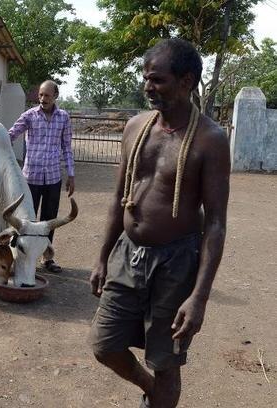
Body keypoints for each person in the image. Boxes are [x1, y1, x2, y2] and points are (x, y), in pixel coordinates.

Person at [88, 38, 230, 408]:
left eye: (158, 80)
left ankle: (160, 392)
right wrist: (103, 256)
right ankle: (151, 390)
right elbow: (119, 197)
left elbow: (215, 223)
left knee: (166, 363)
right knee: (105, 345)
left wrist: (198, 297)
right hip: (128, 255)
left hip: (177, 263)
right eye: (146, 78)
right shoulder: (136, 128)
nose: (148, 87)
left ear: (187, 81)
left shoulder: (210, 140)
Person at [8, 80, 75, 273]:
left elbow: (66, 148)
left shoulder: (63, 118)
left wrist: (71, 175)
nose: (43, 99)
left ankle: (47, 258)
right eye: (40, 95)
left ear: (55, 96)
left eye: (47, 95)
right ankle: (19, 255)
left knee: (48, 220)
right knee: (26, 220)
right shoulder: (29, 116)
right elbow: (11, 134)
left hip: (53, 178)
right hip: (30, 178)